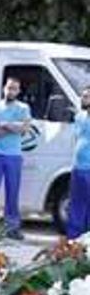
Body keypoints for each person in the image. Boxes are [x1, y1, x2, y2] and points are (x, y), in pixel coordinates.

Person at [0, 77, 31, 240]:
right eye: (9, 88)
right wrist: (13, 126)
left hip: (14, 157)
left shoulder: (23, 108)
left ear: (19, 91)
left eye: (14, 89)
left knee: (13, 192)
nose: (11, 91)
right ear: (4, 88)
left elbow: (24, 129)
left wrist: (5, 124)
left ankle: (12, 228)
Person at [68, 86, 90, 238]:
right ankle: (74, 240)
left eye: (87, 97)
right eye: (83, 96)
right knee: (76, 205)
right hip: (78, 168)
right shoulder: (79, 117)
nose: (83, 99)